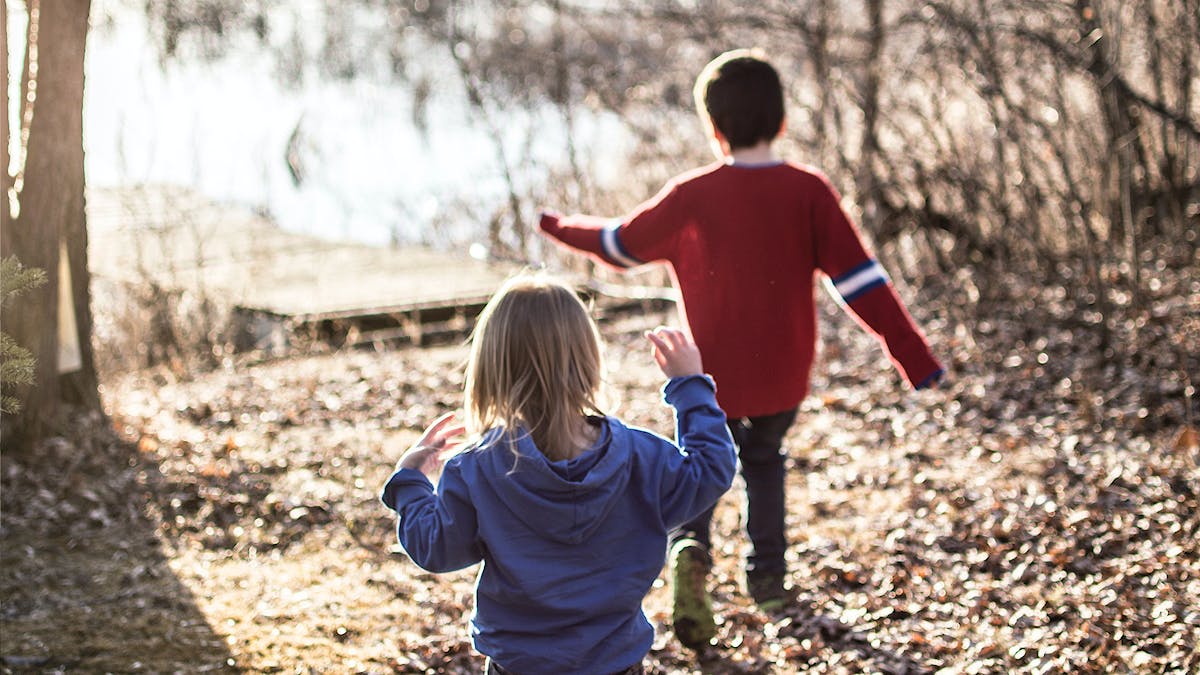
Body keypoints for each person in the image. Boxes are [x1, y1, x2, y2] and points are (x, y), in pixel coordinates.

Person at [538, 48, 944, 648]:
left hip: (707, 378)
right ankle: (770, 578)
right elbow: (862, 282)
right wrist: (915, 357)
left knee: (699, 467)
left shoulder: (692, 195)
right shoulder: (808, 190)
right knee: (764, 463)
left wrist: (558, 224)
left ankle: (690, 554)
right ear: (780, 122)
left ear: (713, 127)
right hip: (781, 377)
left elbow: (619, 246)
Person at [380, 274, 737, 675]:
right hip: (615, 663)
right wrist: (688, 385)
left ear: (491, 367)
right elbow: (712, 468)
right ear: (588, 359)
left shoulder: (476, 468)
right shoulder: (641, 456)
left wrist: (411, 480)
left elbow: (434, 547)